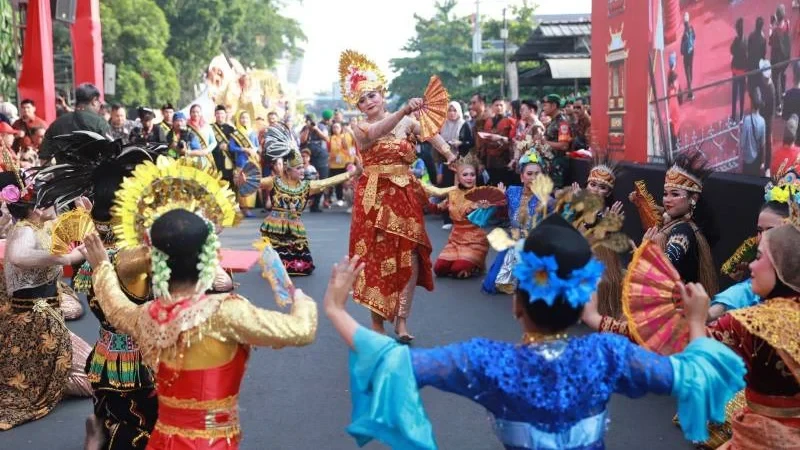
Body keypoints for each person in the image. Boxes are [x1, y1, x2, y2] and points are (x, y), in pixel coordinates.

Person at [322, 187, 746, 450]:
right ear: (582, 300)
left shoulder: (488, 361)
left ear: (516, 304)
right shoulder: (607, 355)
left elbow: (392, 361)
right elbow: (694, 374)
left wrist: (336, 309)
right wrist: (694, 321)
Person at [80, 156, 318, 449]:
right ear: (209, 259)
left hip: (163, 440)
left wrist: (102, 265)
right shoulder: (226, 312)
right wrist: (302, 300)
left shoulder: (149, 315)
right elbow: (301, 330)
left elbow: (115, 307)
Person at [33, 132, 160, 449]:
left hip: (105, 352)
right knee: (139, 424)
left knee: (114, 411)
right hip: (137, 358)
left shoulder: (95, 248)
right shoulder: (135, 257)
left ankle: (99, 435)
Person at [340, 50, 457, 342]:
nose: (368, 102)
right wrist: (404, 111)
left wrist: (449, 155)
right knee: (375, 259)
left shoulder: (408, 123)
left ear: (382, 93)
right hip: (374, 198)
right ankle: (377, 323)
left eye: (372, 96)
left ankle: (402, 321)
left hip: (404, 194)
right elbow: (378, 131)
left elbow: (431, 134)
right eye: (362, 100)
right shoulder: (361, 127)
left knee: (410, 256)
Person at [0, 169, 92, 431]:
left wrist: (85, 216)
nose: (55, 204)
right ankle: (39, 378)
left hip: (47, 316)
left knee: (94, 370)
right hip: (33, 322)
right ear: (36, 207)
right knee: (89, 380)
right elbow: (17, 256)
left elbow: (76, 237)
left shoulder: (42, 226)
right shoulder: (24, 230)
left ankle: (39, 376)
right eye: (50, 200)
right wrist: (61, 259)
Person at [257, 124, 357, 276]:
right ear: (288, 171)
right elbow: (255, 182)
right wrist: (244, 180)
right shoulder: (275, 181)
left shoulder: (307, 186)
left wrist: (350, 175)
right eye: (298, 168)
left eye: (303, 167)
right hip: (275, 226)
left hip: (294, 225)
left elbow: (328, 181)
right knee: (276, 257)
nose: (302, 170)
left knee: (300, 264)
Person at [629, 151, 719, 302]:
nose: (667, 200)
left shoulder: (682, 232)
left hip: (674, 310)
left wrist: (644, 251)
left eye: (675, 194)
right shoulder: (677, 226)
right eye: (665, 194)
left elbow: (663, 272)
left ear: (694, 198)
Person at [482, 149, 546, 295]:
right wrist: (496, 198)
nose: (534, 178)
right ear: (522, 177)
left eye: (537, 174)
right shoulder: (512, 191)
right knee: (498, 283)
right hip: (514, 241)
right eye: (529, 174)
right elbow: (499, 208)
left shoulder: (545, 197)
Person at [432, 153, 489, 279]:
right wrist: (420, 201)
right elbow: (437, 208)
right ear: (458, 176)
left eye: (472, 175)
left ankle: (475, 265)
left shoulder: (481, 194)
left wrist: (482, 207)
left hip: (474, 241)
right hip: (455, 240)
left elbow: (484, 218)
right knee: (439, 269)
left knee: (458, 269)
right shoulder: (452, 193)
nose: (469, 178)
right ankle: (462, 262)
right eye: (465, 175)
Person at [40, 83, 111, 162]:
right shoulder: (99, 123)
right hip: (93, 173)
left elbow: (44, 157)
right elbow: (113, 152)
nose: (99, 105)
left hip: (63, 173)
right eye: (99, 101)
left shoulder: (56, 123)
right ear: (94, 100)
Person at [229, 110, 260, 217]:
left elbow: (257, 145)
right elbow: (231, 148)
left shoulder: (253, 132)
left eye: (246, 118)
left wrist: (253, 150)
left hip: (252, 161)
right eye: (242, 118)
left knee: (250, 184)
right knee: (242, 184)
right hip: (241, 161)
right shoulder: (236, 133)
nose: (244, 120)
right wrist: (243, 149)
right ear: (239, 119)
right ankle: (244, 208)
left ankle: (249, 207)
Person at [740, 88, 767, 176]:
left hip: (747, 159)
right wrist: (762, 162)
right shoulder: (762, 121)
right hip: (757, 159)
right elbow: (763, 144)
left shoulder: (746, 120)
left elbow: (742, 143)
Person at [210, 104, 237, 190]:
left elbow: (235, 145)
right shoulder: (210, 128)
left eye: (222, 113)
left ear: (225, 115)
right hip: (215, 160)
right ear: (215, 115)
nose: (220, 116)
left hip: (228, 161)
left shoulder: (231, 129)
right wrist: (218, 147)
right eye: (218, 113)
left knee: (230, 186)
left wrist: (228, 146)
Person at [186, 104, 217, 169]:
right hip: (191, 157)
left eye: (197, 112)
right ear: (190, 113)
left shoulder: (207, 126)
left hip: (206, 157)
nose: (195, 114)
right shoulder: (186, 126)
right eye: (193, 112)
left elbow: (214, 142)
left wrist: (206, 150)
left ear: (201, 113)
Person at [730, 18, 748, 122]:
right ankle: (741, 115)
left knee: (734, 93)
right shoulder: (745, 41)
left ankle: (733, 116)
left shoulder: (736, 42)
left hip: (736, 71)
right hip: (743, 71)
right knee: (742, 94)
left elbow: (731, 51)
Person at [680, 12, 696, 100]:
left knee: (687, 72)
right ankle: (690, 84)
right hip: (692, 51)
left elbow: (681, 50)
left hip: (686, 54)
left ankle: (690, 93)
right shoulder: (691, 28)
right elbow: (694, 37)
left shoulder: (684, 35)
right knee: (691, 67)